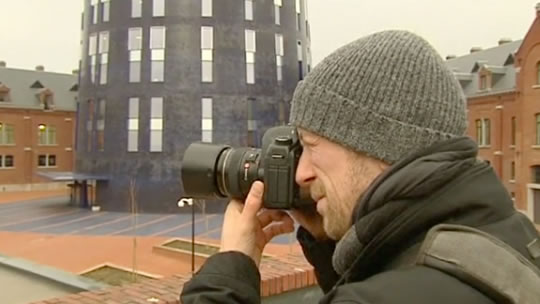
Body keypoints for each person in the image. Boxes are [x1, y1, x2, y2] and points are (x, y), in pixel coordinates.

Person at [180, 30, 540, 303]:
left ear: (375, 143)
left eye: (311, 147)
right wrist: (330, 241)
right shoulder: (509, 237)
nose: (301, 173)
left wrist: (232, 265)